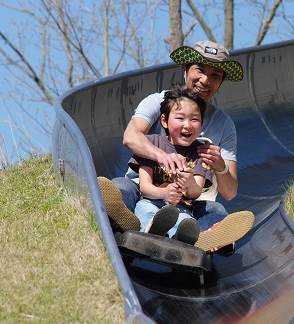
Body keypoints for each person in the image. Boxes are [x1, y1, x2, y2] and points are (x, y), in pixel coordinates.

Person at [100, 40, 253, 253]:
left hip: (190, 199)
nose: (205, 80)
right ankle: (125, 220)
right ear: (185, 70)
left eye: (215, 75)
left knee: (214, 208)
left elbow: (230, 192)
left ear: (221, 82)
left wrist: (220, 166)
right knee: (122, 187)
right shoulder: (160, 102)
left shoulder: (223, 124)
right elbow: (130, 136)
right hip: (145, 189)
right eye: (200, 70)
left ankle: (207, 239)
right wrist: (162, 157)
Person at [129, 84, 211, 245]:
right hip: (152, 200)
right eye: (180, 118)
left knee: (185, 221)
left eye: (194, 119)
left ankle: (181, 240)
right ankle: (151, 231)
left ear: (201, 123)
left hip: (181, 207)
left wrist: (189, 182)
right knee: (145, 210)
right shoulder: (152, 143)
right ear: (164, 121)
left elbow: (195, 193)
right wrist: (164, 194)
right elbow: (144, 187)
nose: (187, 125)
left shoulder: (201, 151)